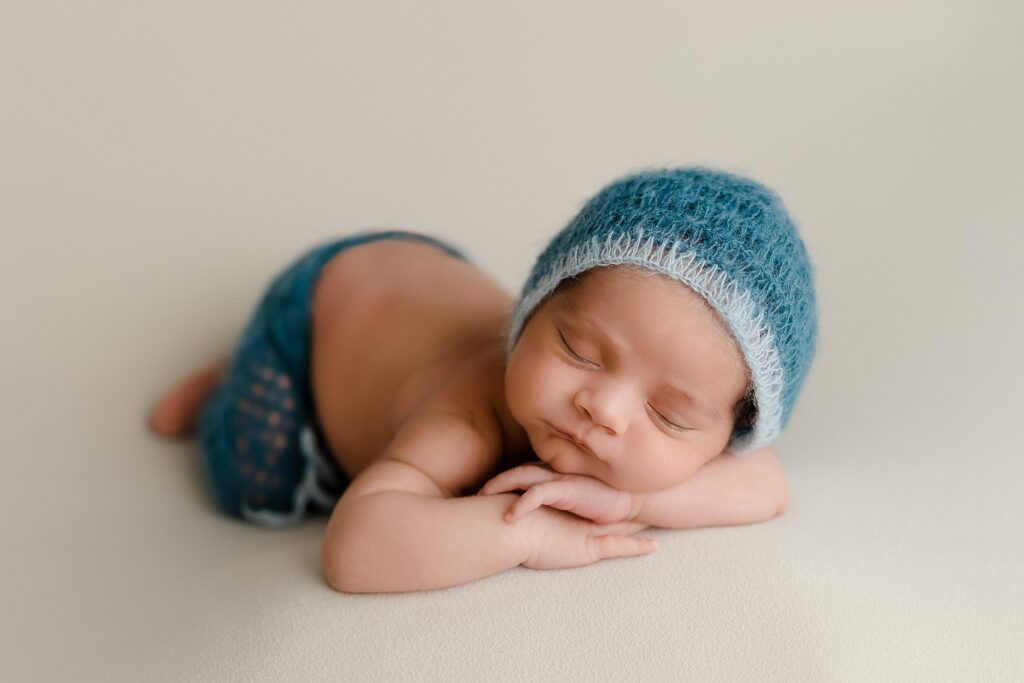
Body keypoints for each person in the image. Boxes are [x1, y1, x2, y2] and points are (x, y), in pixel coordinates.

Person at [148, 166, 819, 593]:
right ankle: (227, 380)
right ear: (536, 307)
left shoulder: (685, 423)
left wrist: (630, 502)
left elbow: (769, 485)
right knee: (254, 482)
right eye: (578, 349)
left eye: (669, 414)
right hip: (319, 312)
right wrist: (527, 532)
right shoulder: (468, 416)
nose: (603, 407)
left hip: (416, 280)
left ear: (733, 431)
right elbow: (356, 548)